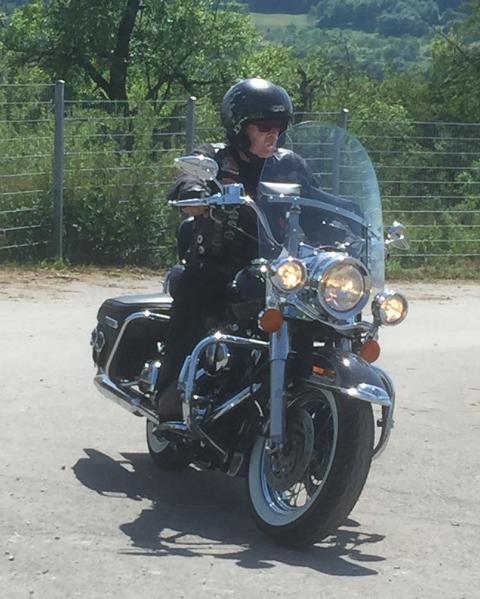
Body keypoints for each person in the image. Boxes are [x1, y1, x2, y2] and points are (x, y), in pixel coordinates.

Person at [156, 77, 328, 420]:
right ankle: (170, 390)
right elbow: (188, 178)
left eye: (279, 127)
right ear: (239, 127)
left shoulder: (291, 165)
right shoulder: (215, 157)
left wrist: (352, 220)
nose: (273, 135)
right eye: (263, 127)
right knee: (194, 287)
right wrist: (193, 194)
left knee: (327, 303)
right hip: (221, 264)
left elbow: (317, 205)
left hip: (278, 269)